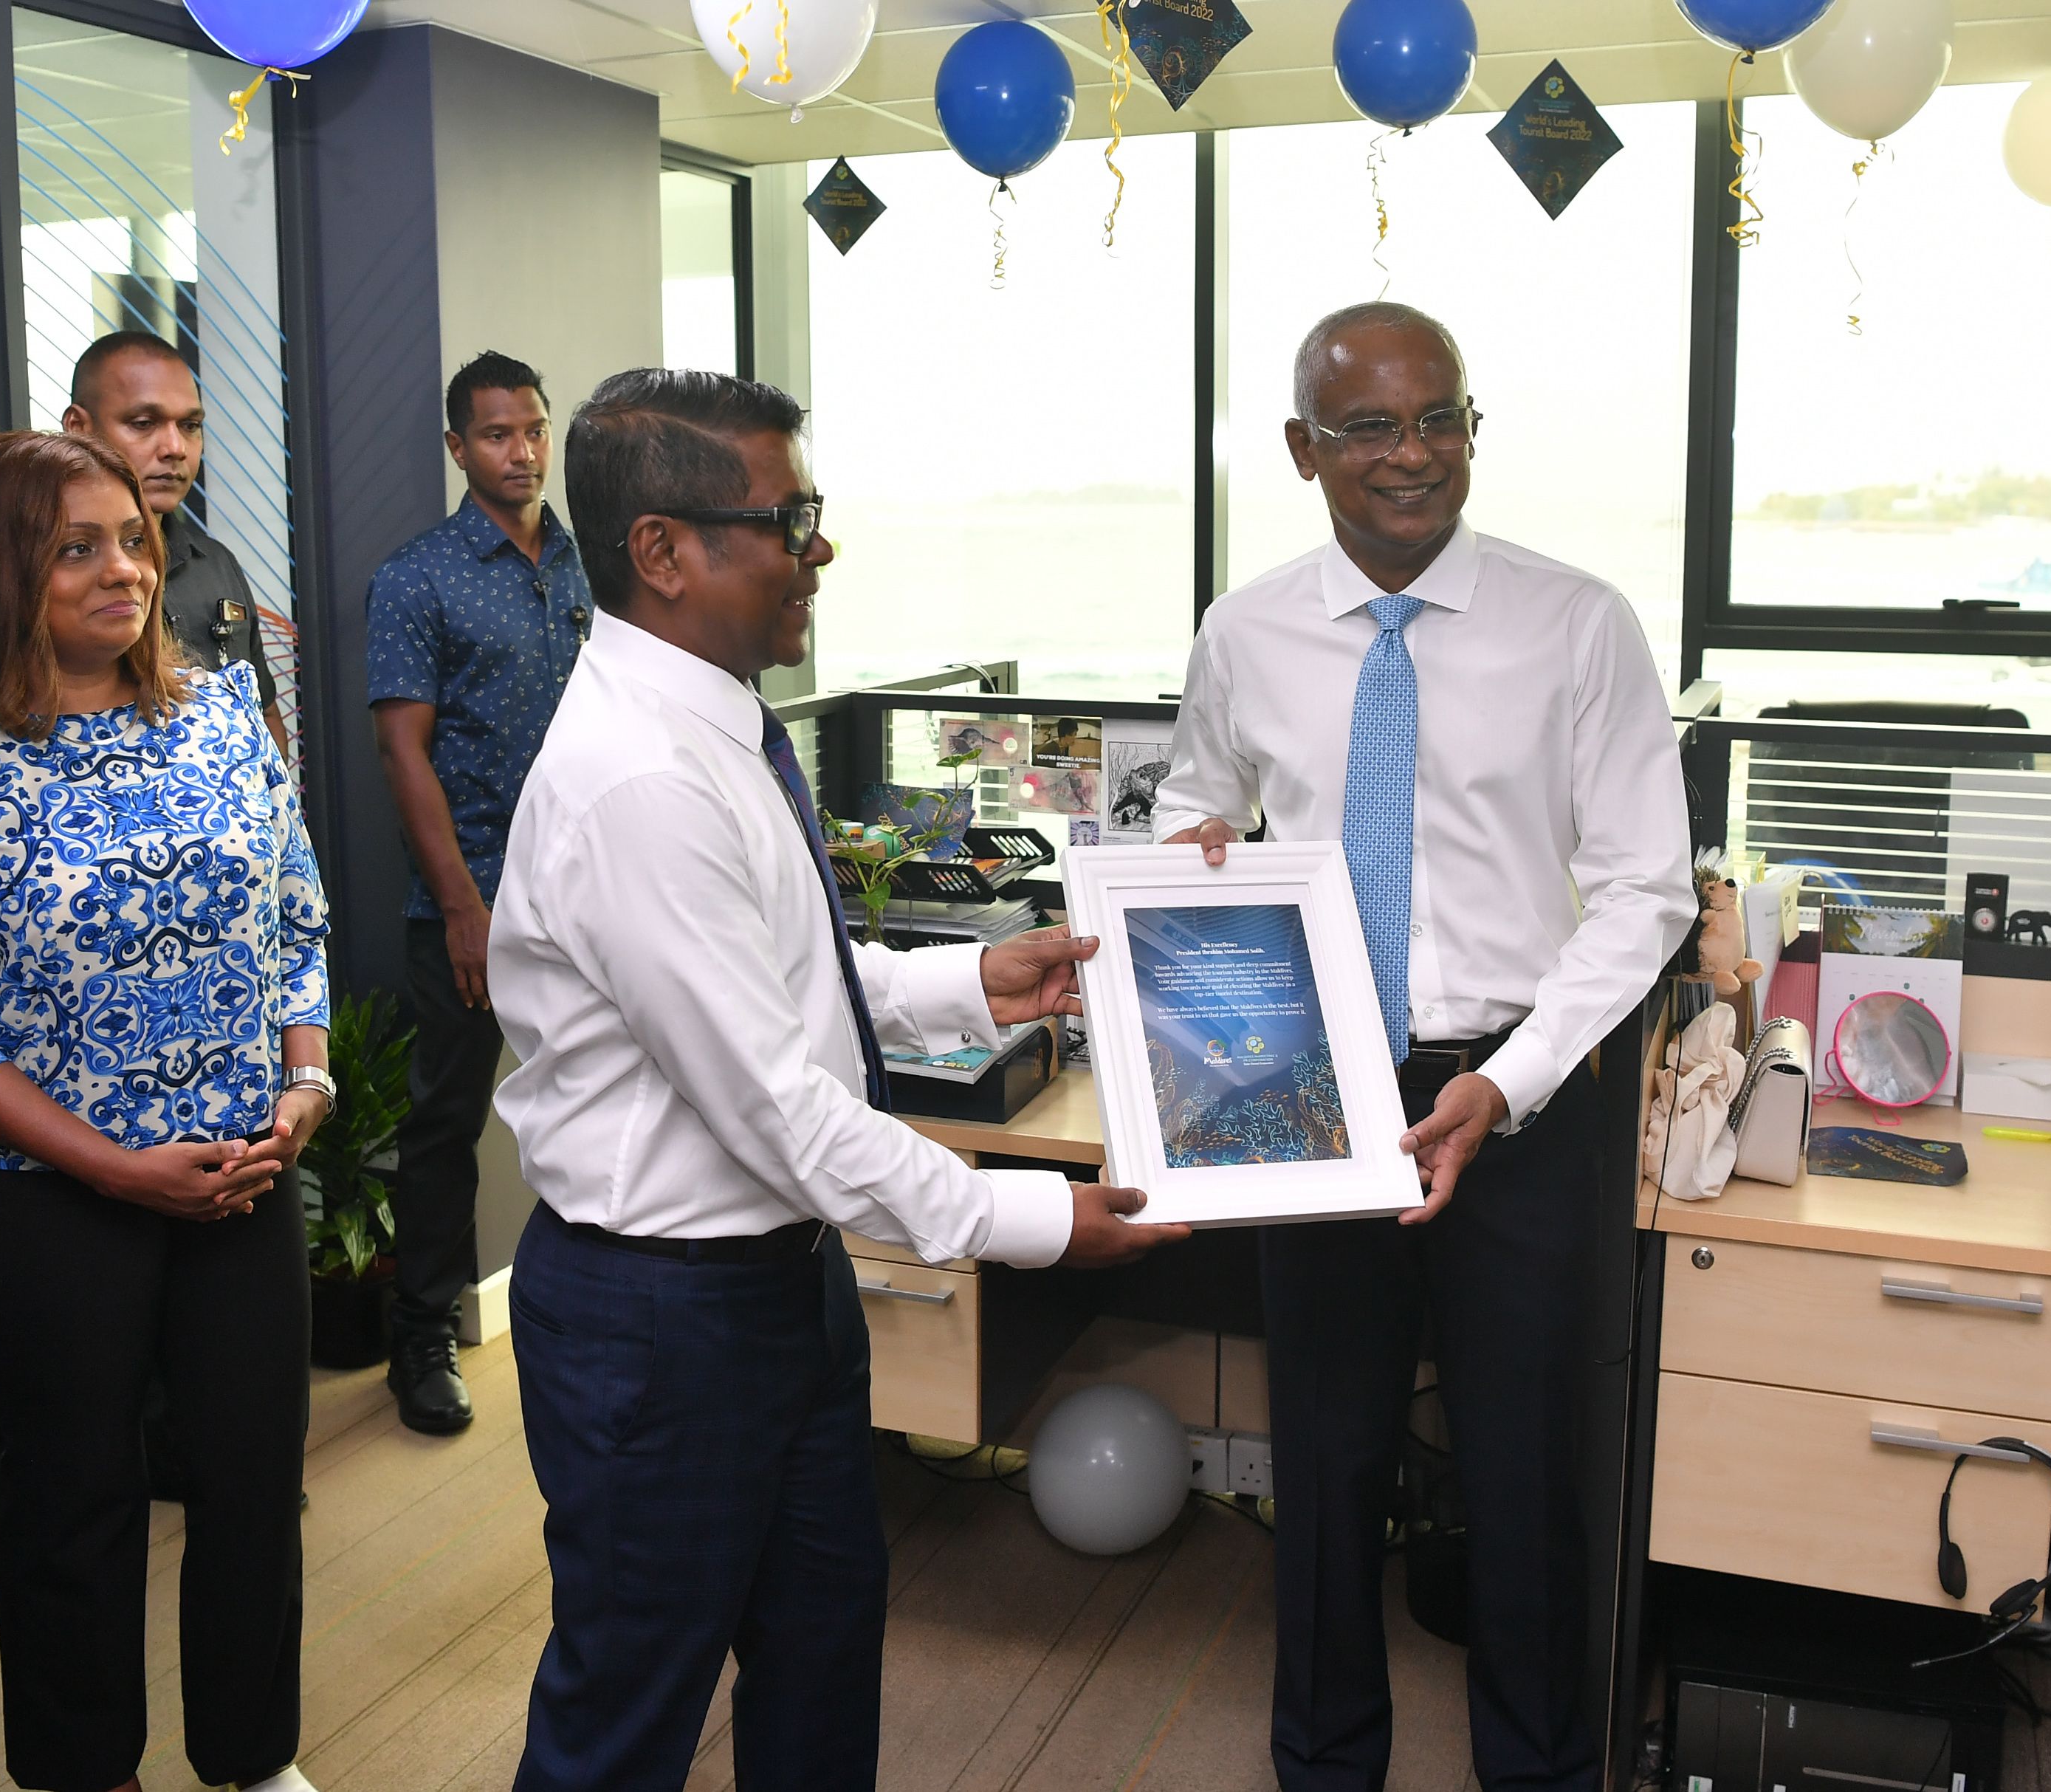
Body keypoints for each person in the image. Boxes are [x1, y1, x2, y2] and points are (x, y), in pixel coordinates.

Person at [490, 366, 1188, 1791]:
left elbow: (785, 977)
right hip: (661, 1319)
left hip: (781, 1288)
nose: (822, 547)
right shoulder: (640, 780)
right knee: (628, 1715)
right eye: (788, 519)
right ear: (663, 551)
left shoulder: (719, 724)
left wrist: (970, 981)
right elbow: (778, 1107)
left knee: (819, 1655)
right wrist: (1036, 1220)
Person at [1154, 301, 1694, 1792]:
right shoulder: (1244, 630)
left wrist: (1506, 1080)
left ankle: (1542, 1771)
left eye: (1439, 417)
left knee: (1528, 1468)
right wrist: (1186, 858)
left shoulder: (1575, 622)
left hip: (1522, 1089)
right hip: (1316, 1087)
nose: (1413, 453)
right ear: (1301, 448)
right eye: (1371, 426)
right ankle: (1324, 1763)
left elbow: (1647, 889)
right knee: (1326, 1460)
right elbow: (1197, 800)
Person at [0, 430, 331, 1792]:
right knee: (73, 1496)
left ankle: (254, 1758)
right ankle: (82, 1768)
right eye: (76, 548)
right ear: (1, 571)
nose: (126, 570)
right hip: (36, 1195)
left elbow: (296, 916)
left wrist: (307, 1081)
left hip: (240, 1168)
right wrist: (112, 1166)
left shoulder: (220, 713)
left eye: (132, 540)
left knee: (252, 1478)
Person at [365, 349, 590, 1435]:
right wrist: (462, 906)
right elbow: (402, 753)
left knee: (605, 1095)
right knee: (445, 1124)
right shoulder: (417, 577)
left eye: (534, 429)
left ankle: (598, 1310)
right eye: (497, 434)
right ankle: (421, 1336)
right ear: (459, 448)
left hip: (588, 893)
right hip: (474, 900)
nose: (521, 451)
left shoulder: (586, 565)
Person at [64, 328, 287, 753]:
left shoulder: (213, 563)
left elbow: (263, 715)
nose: (174, 448)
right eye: (143, 424)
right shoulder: (42, 570)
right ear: (79, 427)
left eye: (190, 426)